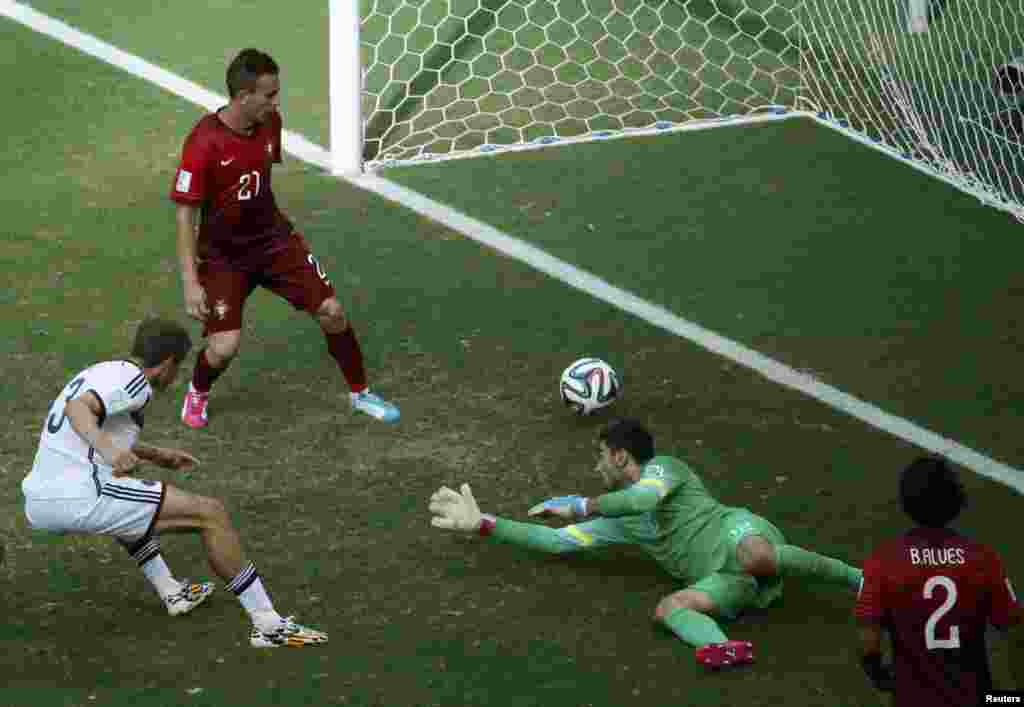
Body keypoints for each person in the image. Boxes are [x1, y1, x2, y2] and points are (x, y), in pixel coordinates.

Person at [428, 417, 862, 668]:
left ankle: (859, 579)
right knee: (670, 608)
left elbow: (641, 498)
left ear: (620, 456)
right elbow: (555, 541)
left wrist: (581, 505)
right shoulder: (622, 523)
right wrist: (484, 524)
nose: (597, 466)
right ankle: (720, 647)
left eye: (600, 456)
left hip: (737, 533)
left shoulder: (664, 470)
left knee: (755, 555)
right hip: (722, 577)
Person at [21, 318, 327, 648]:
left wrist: (156, 454)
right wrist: (111, 452)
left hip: (40, 497)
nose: (176, 376)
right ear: (168, 363)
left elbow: (89, 425)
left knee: (129, 506)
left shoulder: (104, 372)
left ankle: (172, 592)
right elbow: (77, 410)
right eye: (178, 367)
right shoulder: (135, 382)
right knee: (210, 514)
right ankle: (268, 624)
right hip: (79, 495)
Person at [170, 48, 398, 429]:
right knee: (224, 347)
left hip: (274, 243)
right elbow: (185, 213)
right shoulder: (203, 142)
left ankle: (360, 393)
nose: (276, 102)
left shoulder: (270, 123)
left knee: (332, 311)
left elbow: (257, 180)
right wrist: (191, 281)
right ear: (244, 96)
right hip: (224, 257)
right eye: (269, 95)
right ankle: (198, 391)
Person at [854, 456, 1022, 703]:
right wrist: (1009, 698)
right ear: (956, 501)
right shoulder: (983, 559)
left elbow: (869, 643)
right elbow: (1014, 630)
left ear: (906, 502)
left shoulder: (883, 561)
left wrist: (880, 677)